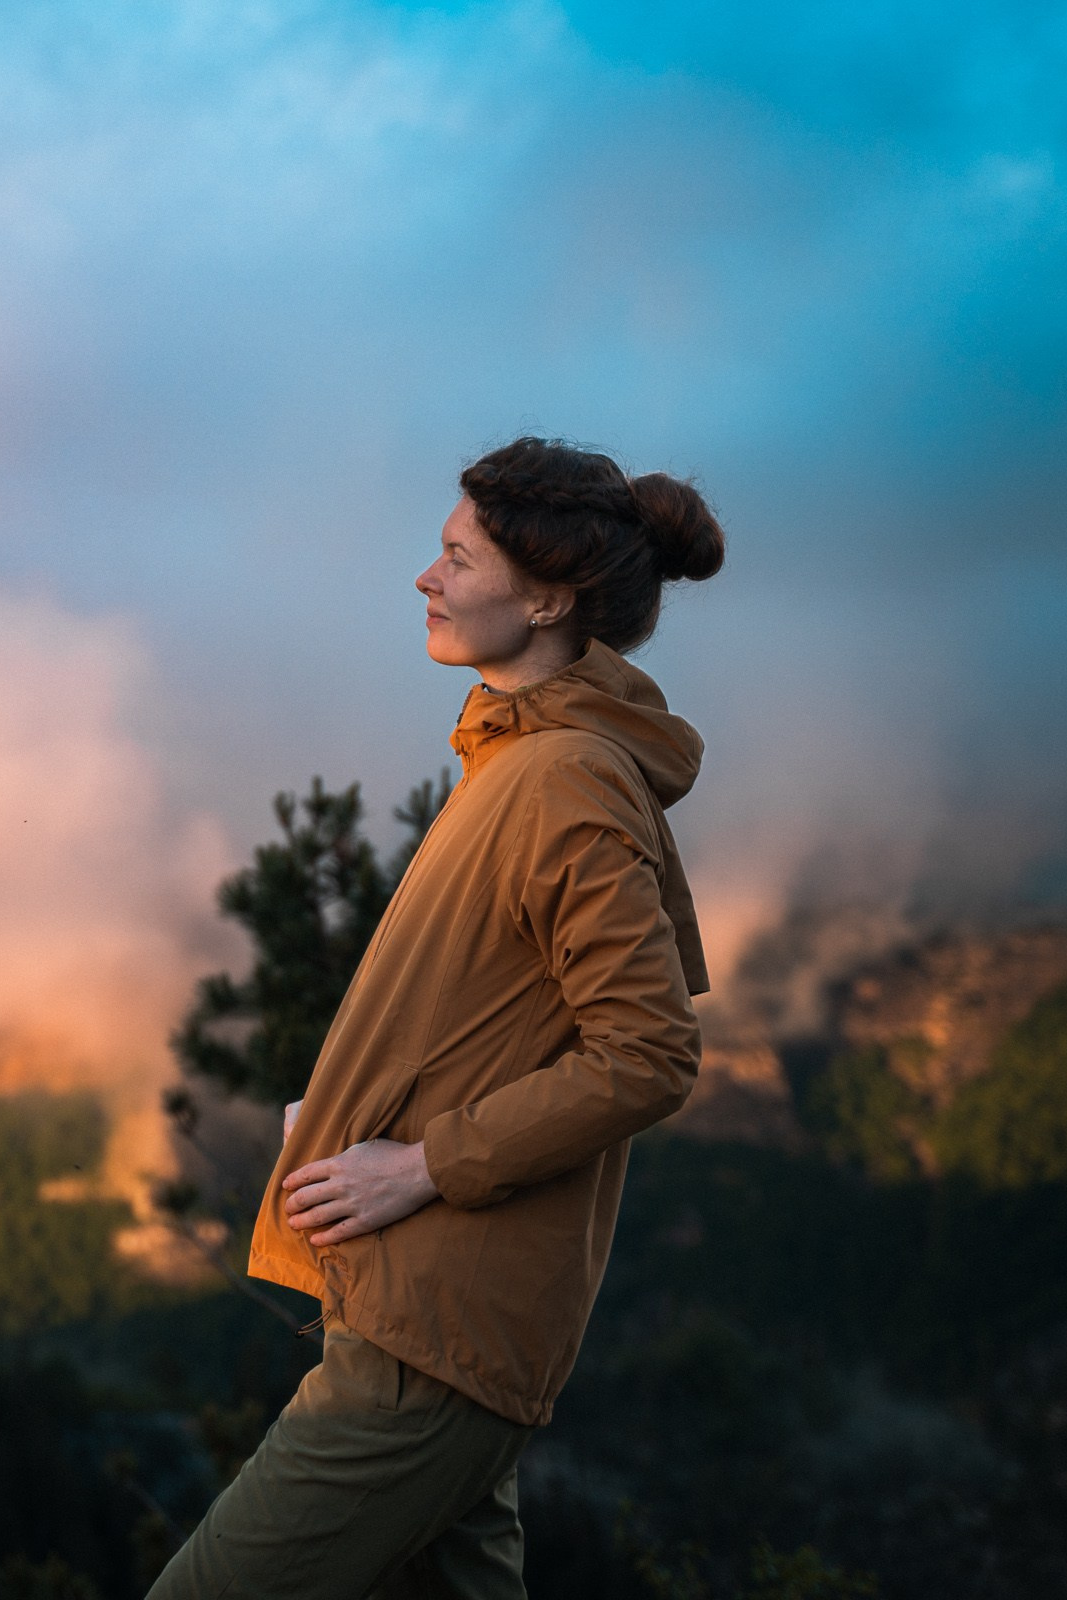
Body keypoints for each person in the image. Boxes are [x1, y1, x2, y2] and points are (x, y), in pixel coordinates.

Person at [147, 437, 726, 1600]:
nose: (426, 577)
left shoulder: (565, 778)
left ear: (550, 597)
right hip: (430, 1320)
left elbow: (648, 1052)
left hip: (435, 1338)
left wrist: (419, 1164)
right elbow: (495, 1011)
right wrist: (352, 1106)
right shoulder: (521, 758)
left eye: (457, 557)